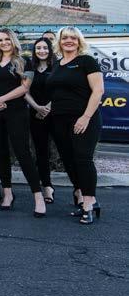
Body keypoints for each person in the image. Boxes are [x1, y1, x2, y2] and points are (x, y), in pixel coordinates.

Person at [0, 28, 46, 217]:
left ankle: (38, 197)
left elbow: (25, 88)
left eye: (7, 39)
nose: (3, 43)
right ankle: (7, 193)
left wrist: (2, 99)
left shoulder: (24, 61)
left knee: (23, 153)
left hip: (16, 112)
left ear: (13, 40)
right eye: (0, 40)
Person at [47, 26, 104, 224]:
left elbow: (98, 91)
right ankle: (89, 198)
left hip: (83, 119)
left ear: (79, 41)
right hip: (59, 119)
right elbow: (56, 92)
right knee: (69, 161)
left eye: (73, 37)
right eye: (65, 38)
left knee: (83, 159)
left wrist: (86, 117)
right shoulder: (57, 64)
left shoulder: (86, 61)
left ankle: (87, 204)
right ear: (59, 42)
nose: (69, 41)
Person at [24, 38, 56, 204]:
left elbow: (60, 90)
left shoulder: (57, 67)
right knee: (41, 153)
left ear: (50, 50)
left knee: (67, 151)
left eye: (45, 48)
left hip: (56, 115)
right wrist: (37, 107)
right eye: (38, 48)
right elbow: (25, 90)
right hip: (35, 115)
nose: (41, 51)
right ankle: (47, 186)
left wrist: (47, 108)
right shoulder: (30, 68)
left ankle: (79, 190)